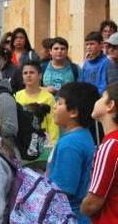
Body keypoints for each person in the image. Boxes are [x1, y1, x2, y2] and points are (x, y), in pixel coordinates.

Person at [47, 81, 98, 223]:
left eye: (59, 103)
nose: (54, 106)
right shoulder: (81, 135)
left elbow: (63, 188)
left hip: (69, 216)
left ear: (74, 112)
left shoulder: (70, 144)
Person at [82, 82, 118, 223]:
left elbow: (93, 202)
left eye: (102, 97)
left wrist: (83, 208)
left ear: (110, 105)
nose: (96, 101)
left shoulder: (111, 145)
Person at [15, 61, 59, 146]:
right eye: (25, 73)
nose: (28, 75)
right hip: (22, 142)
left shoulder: (48, 97)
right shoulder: (16, 96)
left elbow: (53, 124)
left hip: (43, 142)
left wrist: (53, 144)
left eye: (32, 72)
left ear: (40, 76)